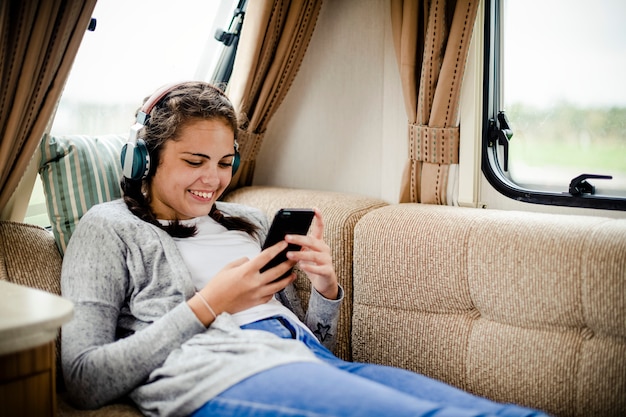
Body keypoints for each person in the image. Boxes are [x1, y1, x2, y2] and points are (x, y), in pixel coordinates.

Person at [61, 81, 549, 417]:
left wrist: (325, 288)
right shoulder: (108, 228)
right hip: (218, 374)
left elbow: (315, 341)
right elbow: (83, 381)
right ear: (144, 157)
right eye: (195, 161)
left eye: (226, 162)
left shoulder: (248, 223)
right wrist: (211, 303)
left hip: (307, 362)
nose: (213, 179)